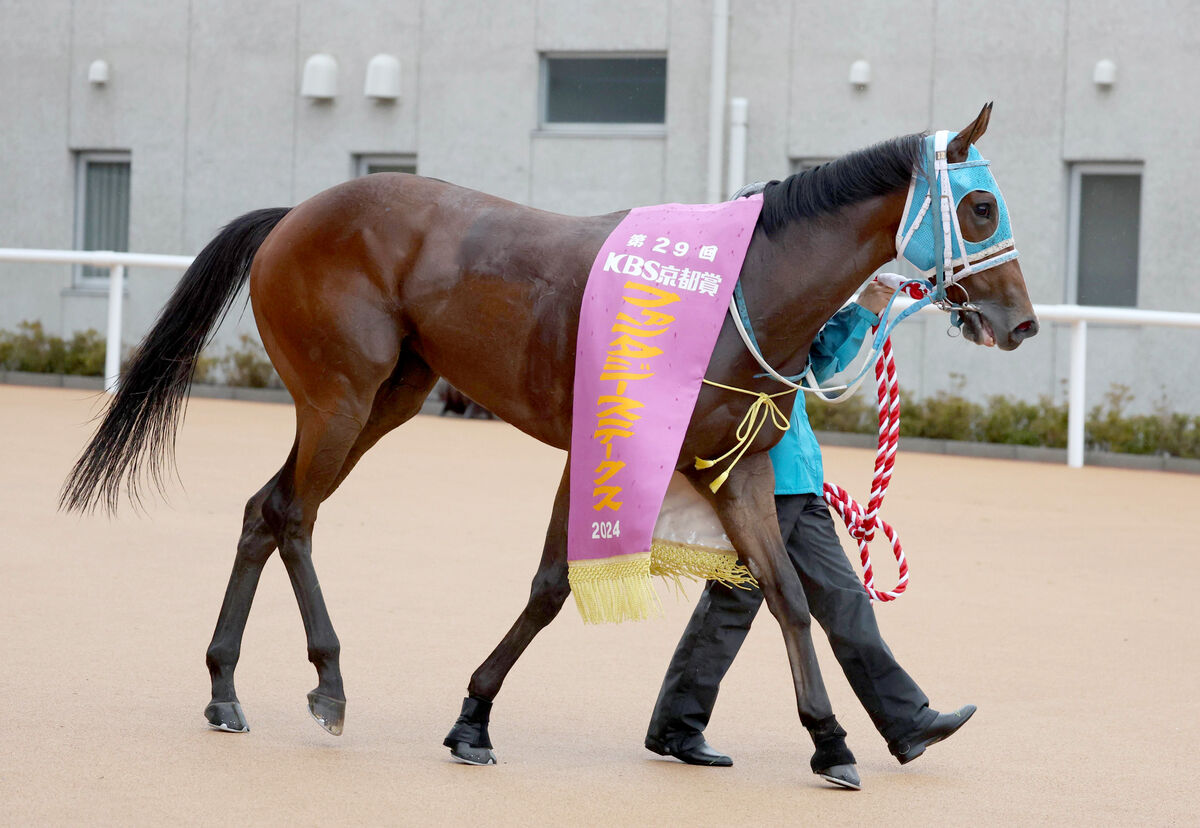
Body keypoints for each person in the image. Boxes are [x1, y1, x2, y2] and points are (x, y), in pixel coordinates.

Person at [645, 279, 975, 782]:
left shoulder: (784, 299)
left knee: (831, 601)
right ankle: (902, 722)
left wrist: (866, 307)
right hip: (754, 478)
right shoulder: (737, 304)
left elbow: (815, 367)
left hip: (795, 478)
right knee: (746, 605)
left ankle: (906, 721)